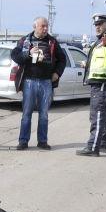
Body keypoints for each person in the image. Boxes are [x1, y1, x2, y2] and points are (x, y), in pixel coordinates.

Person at [11, 17, 66, 150]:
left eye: (46, 26)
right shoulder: (25, 40)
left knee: (44, 114)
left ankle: (42, 141)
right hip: (29, 81)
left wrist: (57, 73)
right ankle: (23, 141)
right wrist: (28, 54)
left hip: (46, 82)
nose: (45, 28)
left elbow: (62, 59)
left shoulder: (52, 41)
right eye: (43, 26)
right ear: (35, 26)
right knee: (27, 113)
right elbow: (15, 56)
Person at [77, 13, 106, 156]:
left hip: (103, 83)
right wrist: (87, 65)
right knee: (105, 115)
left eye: (100, 24)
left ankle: (92, 147)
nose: (97, 27)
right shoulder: (99, 41)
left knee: (97, 115)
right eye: (96, 25)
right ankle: (103, 144)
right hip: (102, 82)